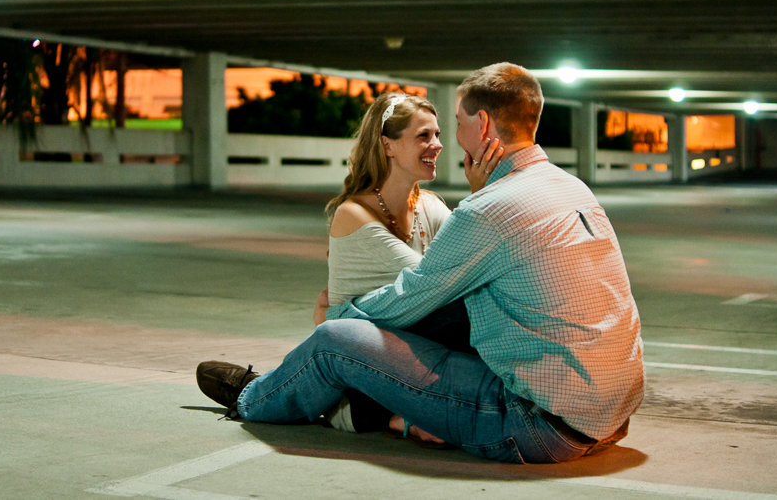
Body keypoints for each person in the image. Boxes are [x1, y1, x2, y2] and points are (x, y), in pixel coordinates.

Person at [197, 63, 644, 463]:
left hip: (536, 425)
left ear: (483, 123)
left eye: (457, 124)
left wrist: (336, 315)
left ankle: (253, 396)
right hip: (611, 415)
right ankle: (366, 403)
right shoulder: (571, 187)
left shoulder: (488, 210)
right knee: (456, 312)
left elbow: (413, 295)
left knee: (335, 340)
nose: (449, 140)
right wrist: (483, 194)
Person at [321, 91, 501, 437]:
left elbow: (473, 264)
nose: (438, 144)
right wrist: (479, 197)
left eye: (437, 134)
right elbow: (437, 284)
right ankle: (403, 416)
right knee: (463, 315)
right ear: (387, 145)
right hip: (359, 376)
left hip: (406, 354)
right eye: (423, 135)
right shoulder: (353, 214)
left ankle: (420, 414)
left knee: (486, 307)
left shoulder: (428, 206)